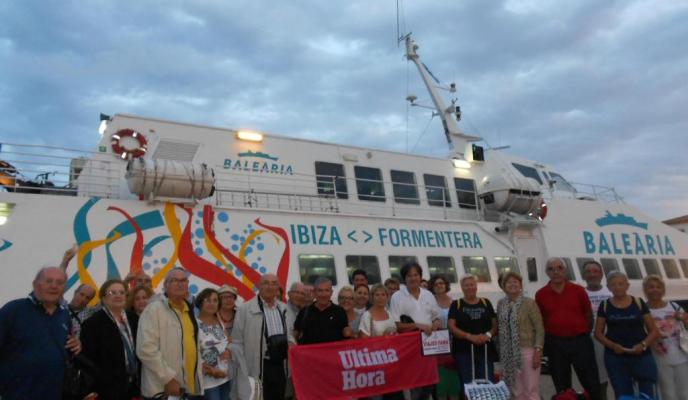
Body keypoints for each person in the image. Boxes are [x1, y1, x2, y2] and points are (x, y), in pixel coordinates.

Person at [0, 266, 81, 400]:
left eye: (60, 282)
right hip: (17, 393)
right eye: (48, 281)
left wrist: (76, 345)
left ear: (65, 288)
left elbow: (65, 349)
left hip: (53, 393)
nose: (54, 286)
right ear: (36, 284)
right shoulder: (14, 310)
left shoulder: (64, 315)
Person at [535, 257, 602, 400]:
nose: (556, 272)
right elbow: (541, 320)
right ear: (547, 272)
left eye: (559, 268)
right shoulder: (541, 294)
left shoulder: (578, 290)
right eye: (551, 269)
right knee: (561, 384)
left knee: (591, 382)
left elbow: (588, 315)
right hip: (555, 344)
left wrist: (581, 333)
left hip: (580, 342)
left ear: (565, 270)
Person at [137, 267, 203, 399]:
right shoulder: (153, 309)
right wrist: (168, 378)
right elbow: (145, 349)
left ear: (188, 284)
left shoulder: (190, 310)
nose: (179, 284)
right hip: (163, 389)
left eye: (183, 280)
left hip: (189, 388)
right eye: (174, 280)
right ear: (165, 285)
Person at [594, 271, 659, 399]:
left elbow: (654, 331)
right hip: (616, 358)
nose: (617, 287)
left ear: (627, 285)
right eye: (613, 284)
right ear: (608, 287)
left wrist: (643, 345)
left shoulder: (638, 302)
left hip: (642, 357)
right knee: (623, 395)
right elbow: (598, 333)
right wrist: (612, 346)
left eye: (620, 284)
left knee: (647, 394)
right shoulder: (605, 305)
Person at [81, 279, 140, 400]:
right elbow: (87, 360)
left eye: (121, 292)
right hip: (107, 389)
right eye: (112, 292)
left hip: (135, 386)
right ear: (103, 297)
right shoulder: (92, 323)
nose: (118, 295)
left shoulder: (135, 319)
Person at [233, 273, 289, 400]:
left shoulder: (284, 309)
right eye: (266, 283)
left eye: (274, 283)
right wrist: (242, 368)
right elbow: (237, 341)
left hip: (280, 365)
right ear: (259, 286)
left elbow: (290, 336)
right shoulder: (245, 309)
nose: (270, 286)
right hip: (256, 365)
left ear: (278, 287)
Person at [391, 262, 441, 400]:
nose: (413, 278)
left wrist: (436, 323)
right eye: (409, 276)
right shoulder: (397, 296)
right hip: (410, 347)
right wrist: (418, 326)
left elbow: (436, 317)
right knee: (415, 385)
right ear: (404, 278)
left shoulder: (428, 294)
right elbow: (396, 325)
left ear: (420, 276)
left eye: (416, 275)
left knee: (430, 384)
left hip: (429, 344)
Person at [447, 274, 497, 397]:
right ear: (462, 287)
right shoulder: (456, 304)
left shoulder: (486, 302)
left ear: (476, 286)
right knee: (467, 384)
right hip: (463, 351)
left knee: (487, 382)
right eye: (466, 285)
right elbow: (452, 326)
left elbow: (495, 325)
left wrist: (487, 335)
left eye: (472, 284)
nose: (470, 287)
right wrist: (469, 336)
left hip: (485, 350)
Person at [497, 272, 544, 400]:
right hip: (509, 353)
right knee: (517, 390)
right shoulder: (501, 304)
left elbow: (539, 329)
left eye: (515, 282)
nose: (512, 284)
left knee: (531, 389)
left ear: (521, 285)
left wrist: (538, 350)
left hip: (528, 350)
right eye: (509, 282)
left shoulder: (529, 303)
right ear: (503, 286)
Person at [643, 274, 688, 400]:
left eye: (658, 287)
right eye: (651, 287)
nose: (655, 290)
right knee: (668, 394)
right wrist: (652, 343)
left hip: (681, 354)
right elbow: (642, 332)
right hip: (659, 357)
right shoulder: (644, 310)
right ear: (645, 290)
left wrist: (684, 319)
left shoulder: (674, 306)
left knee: (685, 393)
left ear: (663, 290)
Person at [359, 284, 403, 400]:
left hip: (392, 362)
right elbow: (363, 343)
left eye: (383, 295)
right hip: (375, 363)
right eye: (377, 295)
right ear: (372, 297)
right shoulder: (367, 316)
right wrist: (382, 340)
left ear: (387, 297)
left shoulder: (390, 314)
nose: (380, 298)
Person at [583, 260, 612, 399]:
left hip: (612, 340)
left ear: (601, 274)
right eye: (588, 272)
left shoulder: (611, 293)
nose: (592, 274)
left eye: (595, 271)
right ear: (584, 275)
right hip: (591, 343)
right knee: (599, 380)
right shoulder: (581, 294)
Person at [195, 288, 231, 400]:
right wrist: (212, 371)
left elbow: (229, 342)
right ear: (200, 302)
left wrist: (229, 351)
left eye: (215, 300)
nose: (212, 303)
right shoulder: (194, 324)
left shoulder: (219, 321)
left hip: (227, 377)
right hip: (208, 381)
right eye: (207, 300)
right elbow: (193, 353)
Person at [294, 277, 353, 344]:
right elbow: (295, 335)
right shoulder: (304, 312)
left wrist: (349, 332)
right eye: (320, 290)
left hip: (333, 351)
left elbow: (347, 335)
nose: (323, 294)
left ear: (331, 292)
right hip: (308, 351)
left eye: (327, 290)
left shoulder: (340, 311)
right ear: (314, 292)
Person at [429, 275, 460, 400]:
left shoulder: (455, 302)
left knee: (454, 379)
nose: (439, 286)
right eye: (436, 284)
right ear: (432, 287)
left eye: (441, 283)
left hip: (454, 343)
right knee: (441, 380)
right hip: (438, 345)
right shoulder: (429, 303)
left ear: (446, 285)